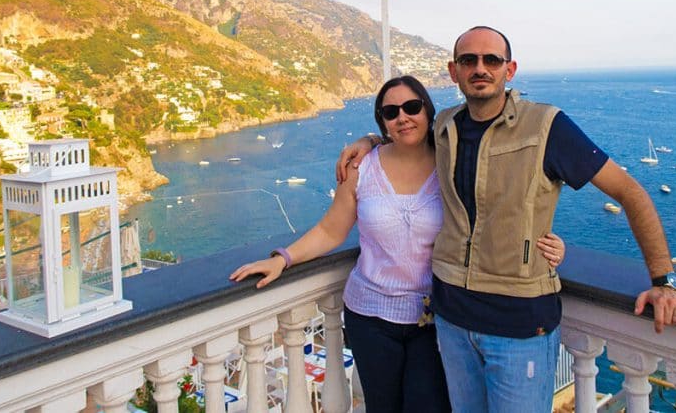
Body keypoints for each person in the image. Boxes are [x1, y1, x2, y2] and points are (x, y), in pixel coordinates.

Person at [337, 26, 676, 413]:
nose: (480, 68)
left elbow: (630, 192)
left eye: (492, 60)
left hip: (520, 327)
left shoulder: (546, 127)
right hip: (452, 322)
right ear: (453, 72)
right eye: (468, 60)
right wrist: (369, 142)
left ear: (510, 69)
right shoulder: (445, 127)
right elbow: (405, 134)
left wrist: (664, 281)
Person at [231, 75, 566, 413]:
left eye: (412, 107)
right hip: (369, 317)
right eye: (391, 112)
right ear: (383, 121)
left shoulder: (452, 163)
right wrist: (283, 258)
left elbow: (498, 213)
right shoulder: (362, 168)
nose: (402, 117)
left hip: (434, 319)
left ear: (427, 111)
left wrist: (547, 243)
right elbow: (331, 230)